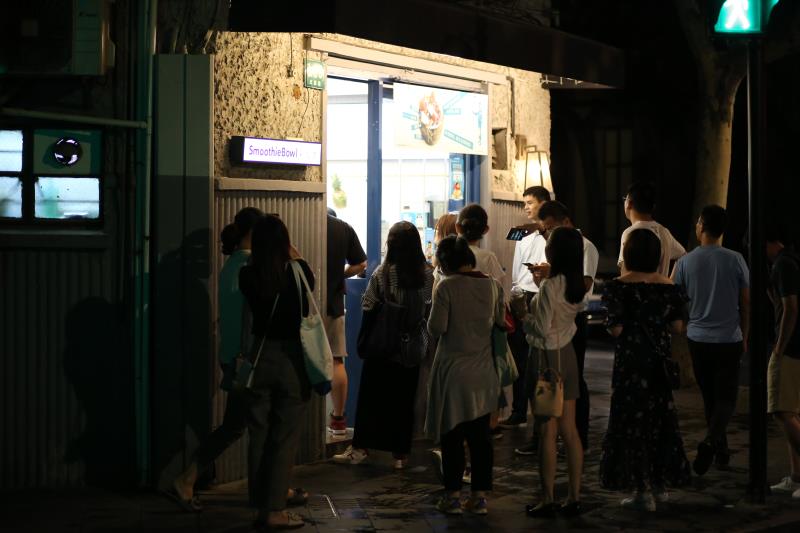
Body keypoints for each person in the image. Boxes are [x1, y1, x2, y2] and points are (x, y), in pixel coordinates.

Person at [170, 207, 315, 511]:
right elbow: (247, 320)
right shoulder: (250, 268)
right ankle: (262, 494)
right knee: (257, 429)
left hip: (239, 358)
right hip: (250, 359)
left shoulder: (234, 266)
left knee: (237, 425)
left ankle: (266, 490)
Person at [600, 228, 691, 512]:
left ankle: (641, 490)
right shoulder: (669, 286)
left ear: (629, 253)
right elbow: (678, 326)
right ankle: (660, 486)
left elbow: (615, 329)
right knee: (660, 423)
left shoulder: (618, 287)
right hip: (658, 366)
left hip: (630, 366)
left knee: (632, 425)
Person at [333, 221, 434, 469]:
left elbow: (368, 304)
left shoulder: (384, 272)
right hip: (411, 348)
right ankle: (400, 455)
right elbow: (428, 307)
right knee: (404, 401)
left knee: (372, 399)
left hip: (384, 346)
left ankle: (361, 448)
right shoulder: (427, 274)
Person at [238, 215, 314, 530]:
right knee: (284, 438)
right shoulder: (299, 271)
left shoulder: (247, 275)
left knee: (258, 434)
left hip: (259, 356)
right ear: (284, 243)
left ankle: (260, 506)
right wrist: (292, 253)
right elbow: (308, 296)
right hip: (292, 359)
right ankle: (276, 510)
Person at [426, 236, 505, 515]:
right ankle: (479, 497)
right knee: (480, 438)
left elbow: (436, 327)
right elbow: (500, 322)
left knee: (452, 437)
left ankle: (453, 497)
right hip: (484, 372)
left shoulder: (446, 287)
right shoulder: (493, 286)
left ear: (445, 263)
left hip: (453, 373)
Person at [672, 205, 750, 475]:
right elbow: (746, 302)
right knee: (726, 397)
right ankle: (712, 443)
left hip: (698, 338)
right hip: (728, 338)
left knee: (709, 396)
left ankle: (720, 450)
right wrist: (745, 334)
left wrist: (684, 322)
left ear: (702, 225)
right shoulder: (735, 259)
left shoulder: (685, 262)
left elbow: (674, 296)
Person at [522, 227, 586, 518]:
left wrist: (523, 315)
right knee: (570, 431)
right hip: (568, 355)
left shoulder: (550, 286)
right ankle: (574, 496)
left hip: (548, 360)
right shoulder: (576, 284)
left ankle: (547, 498)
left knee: (548, 431)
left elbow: (541, 327)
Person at [531, 201, 599, 453]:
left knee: (572, 381)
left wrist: (551, 277)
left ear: (566, 221)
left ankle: (574, 435)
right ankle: (555, 436)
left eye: (550, 227)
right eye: (544, 229)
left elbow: (584, 283)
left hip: (570, 321)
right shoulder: (558, 249)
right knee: (554, 383)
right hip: (559, 321)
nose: (547, 234)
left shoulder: (584, 247)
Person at [502, 186, 552, 446]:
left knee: (538, 361)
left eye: (530, 202)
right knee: (519, 358)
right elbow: (516, 269)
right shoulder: (523, 234)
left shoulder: (552, 236)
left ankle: (541, 418)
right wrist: (514, 293)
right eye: (524, 203)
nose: (526, 208)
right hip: (521, 294)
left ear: (544, 203)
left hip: (539, 295)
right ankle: (518, 411)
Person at [764, 225, 800, 498]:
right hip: (796, 347)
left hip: (790, 348)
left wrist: (779, 347)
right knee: (792, 411)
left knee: (781, 411)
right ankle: (796, 477)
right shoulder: (793, 260)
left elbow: (790, 307)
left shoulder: (783, 265)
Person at [325, 209, 367, 436]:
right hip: (332, 305)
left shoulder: (295, 224)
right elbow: (361, 264)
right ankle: (338, 420)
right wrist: (337, 275)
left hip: (301, 306)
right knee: (336, 360)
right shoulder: (342, 227)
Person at [618, 181, 685, 277]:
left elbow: (625, 272)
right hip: (661, 286)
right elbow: (683, 256)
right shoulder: (664, 232)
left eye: (625, 199)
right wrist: (670, 281)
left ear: (629, 203)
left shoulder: (630, 233)